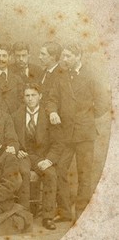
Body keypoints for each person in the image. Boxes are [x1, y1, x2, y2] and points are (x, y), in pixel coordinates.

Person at [46, 43, 109, 221]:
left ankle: (81, 215)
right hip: (66, 133)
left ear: (78, 56)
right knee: (59, 169)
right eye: (63, 56)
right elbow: (52, 98)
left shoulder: (90, 76)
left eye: (67, 56)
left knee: (84, 173)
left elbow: (104, 101)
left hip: (84, 133)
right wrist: (52, 111)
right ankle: (65, 211)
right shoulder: (61, 76)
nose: (63, 60)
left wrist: (87, 117)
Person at [12, 83, 64, 230]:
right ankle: (24, 215)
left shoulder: (49, 116)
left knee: (51, 174)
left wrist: (48, 160)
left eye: (33, 95)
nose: (30, 99)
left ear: (40, 97)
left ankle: (47, 217)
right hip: (23, 155)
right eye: (27, 96)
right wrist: (16, 150)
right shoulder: (16, 116)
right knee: (23, 173)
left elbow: (58, 143)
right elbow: (10, 137)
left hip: (42, 157)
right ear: (23, 98)